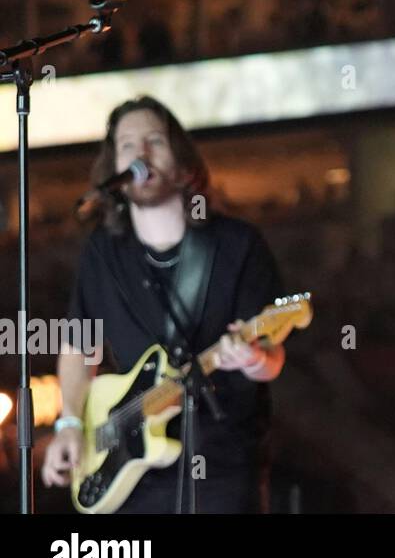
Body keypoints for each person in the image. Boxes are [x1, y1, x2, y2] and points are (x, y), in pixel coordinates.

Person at [41, 95, 287, 513]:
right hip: (132, 474)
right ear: (114, 168)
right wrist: (69, 424)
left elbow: (273, 360)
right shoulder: (102, 252)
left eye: (155, 141)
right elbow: (79, 348)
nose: (141, 154)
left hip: (222, 466)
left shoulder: (236, 245)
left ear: (181, 158)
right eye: (127, 145)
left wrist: (250, 358)